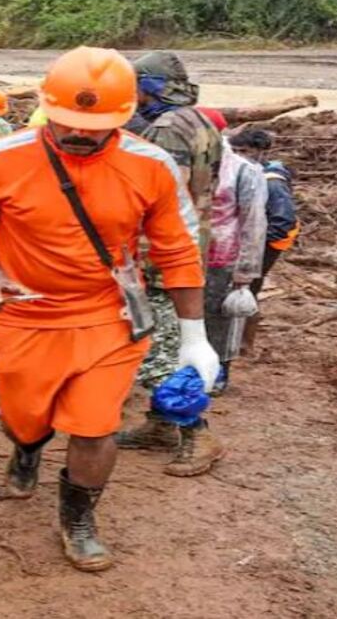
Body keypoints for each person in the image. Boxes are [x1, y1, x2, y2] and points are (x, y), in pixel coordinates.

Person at [0, 47, 218, 572]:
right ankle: (26, 448)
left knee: (95, 426)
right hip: (23, 315)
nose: (81, 134)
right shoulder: (0, 157)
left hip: (107, 316)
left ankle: (79, 519)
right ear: (48, 108)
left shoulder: (151, 165)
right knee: (22, 419)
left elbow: (179, 250)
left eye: (97, 126)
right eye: (69, 122)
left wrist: (193, 336)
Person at [116, 51, 226, 478]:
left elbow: (165, 190)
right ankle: (161, 423)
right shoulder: (197, 120)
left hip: (162, 251)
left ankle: (197, 432)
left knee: (158, 349)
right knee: (163, 340)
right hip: (188, 238)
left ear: (150, 86)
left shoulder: (166, 128)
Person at [201, 113, 268, 396]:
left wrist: (246, 269)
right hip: (186, 253)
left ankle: (218, 373)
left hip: (224, 256)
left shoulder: (243, 170)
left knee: (220, 317)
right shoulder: (189, 161)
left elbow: (254, 221)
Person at [228, 129, 300, 356]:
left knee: (249, 287)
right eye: (235, 151)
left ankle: (245, 344)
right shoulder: (249, 172)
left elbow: (283, 220)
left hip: (268, 241)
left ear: (261, 152)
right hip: (257, 237)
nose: (240, 156)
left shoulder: (272, 182)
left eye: (245, 151)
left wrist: (258, 244)